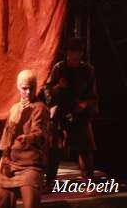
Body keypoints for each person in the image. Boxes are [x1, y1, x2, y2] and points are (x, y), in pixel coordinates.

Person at [41, 37, 98, 186]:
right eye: (71, 52)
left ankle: (88, 180)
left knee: (85, 148)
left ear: (81, 53)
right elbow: (47, 90)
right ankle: (50, 180)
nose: (73, 55)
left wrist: (85, 104)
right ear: (67, 53)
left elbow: (93, 95)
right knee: (55, 148)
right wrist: (58, 87)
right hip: (60, 112)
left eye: (77, 52)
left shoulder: (88, 70)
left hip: (79, 113)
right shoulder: (59, 68)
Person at [0, 70, 48, 208]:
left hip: (30, 166)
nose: (28, 92)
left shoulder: (40, 108)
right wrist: (1, 163)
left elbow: (41, 134)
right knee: (1, 202)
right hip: (11, 165)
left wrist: (29, 137)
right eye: (25, 88)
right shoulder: (14, 109)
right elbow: (6, 140)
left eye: (32, 88)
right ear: (18, 87)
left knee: (31, 204)